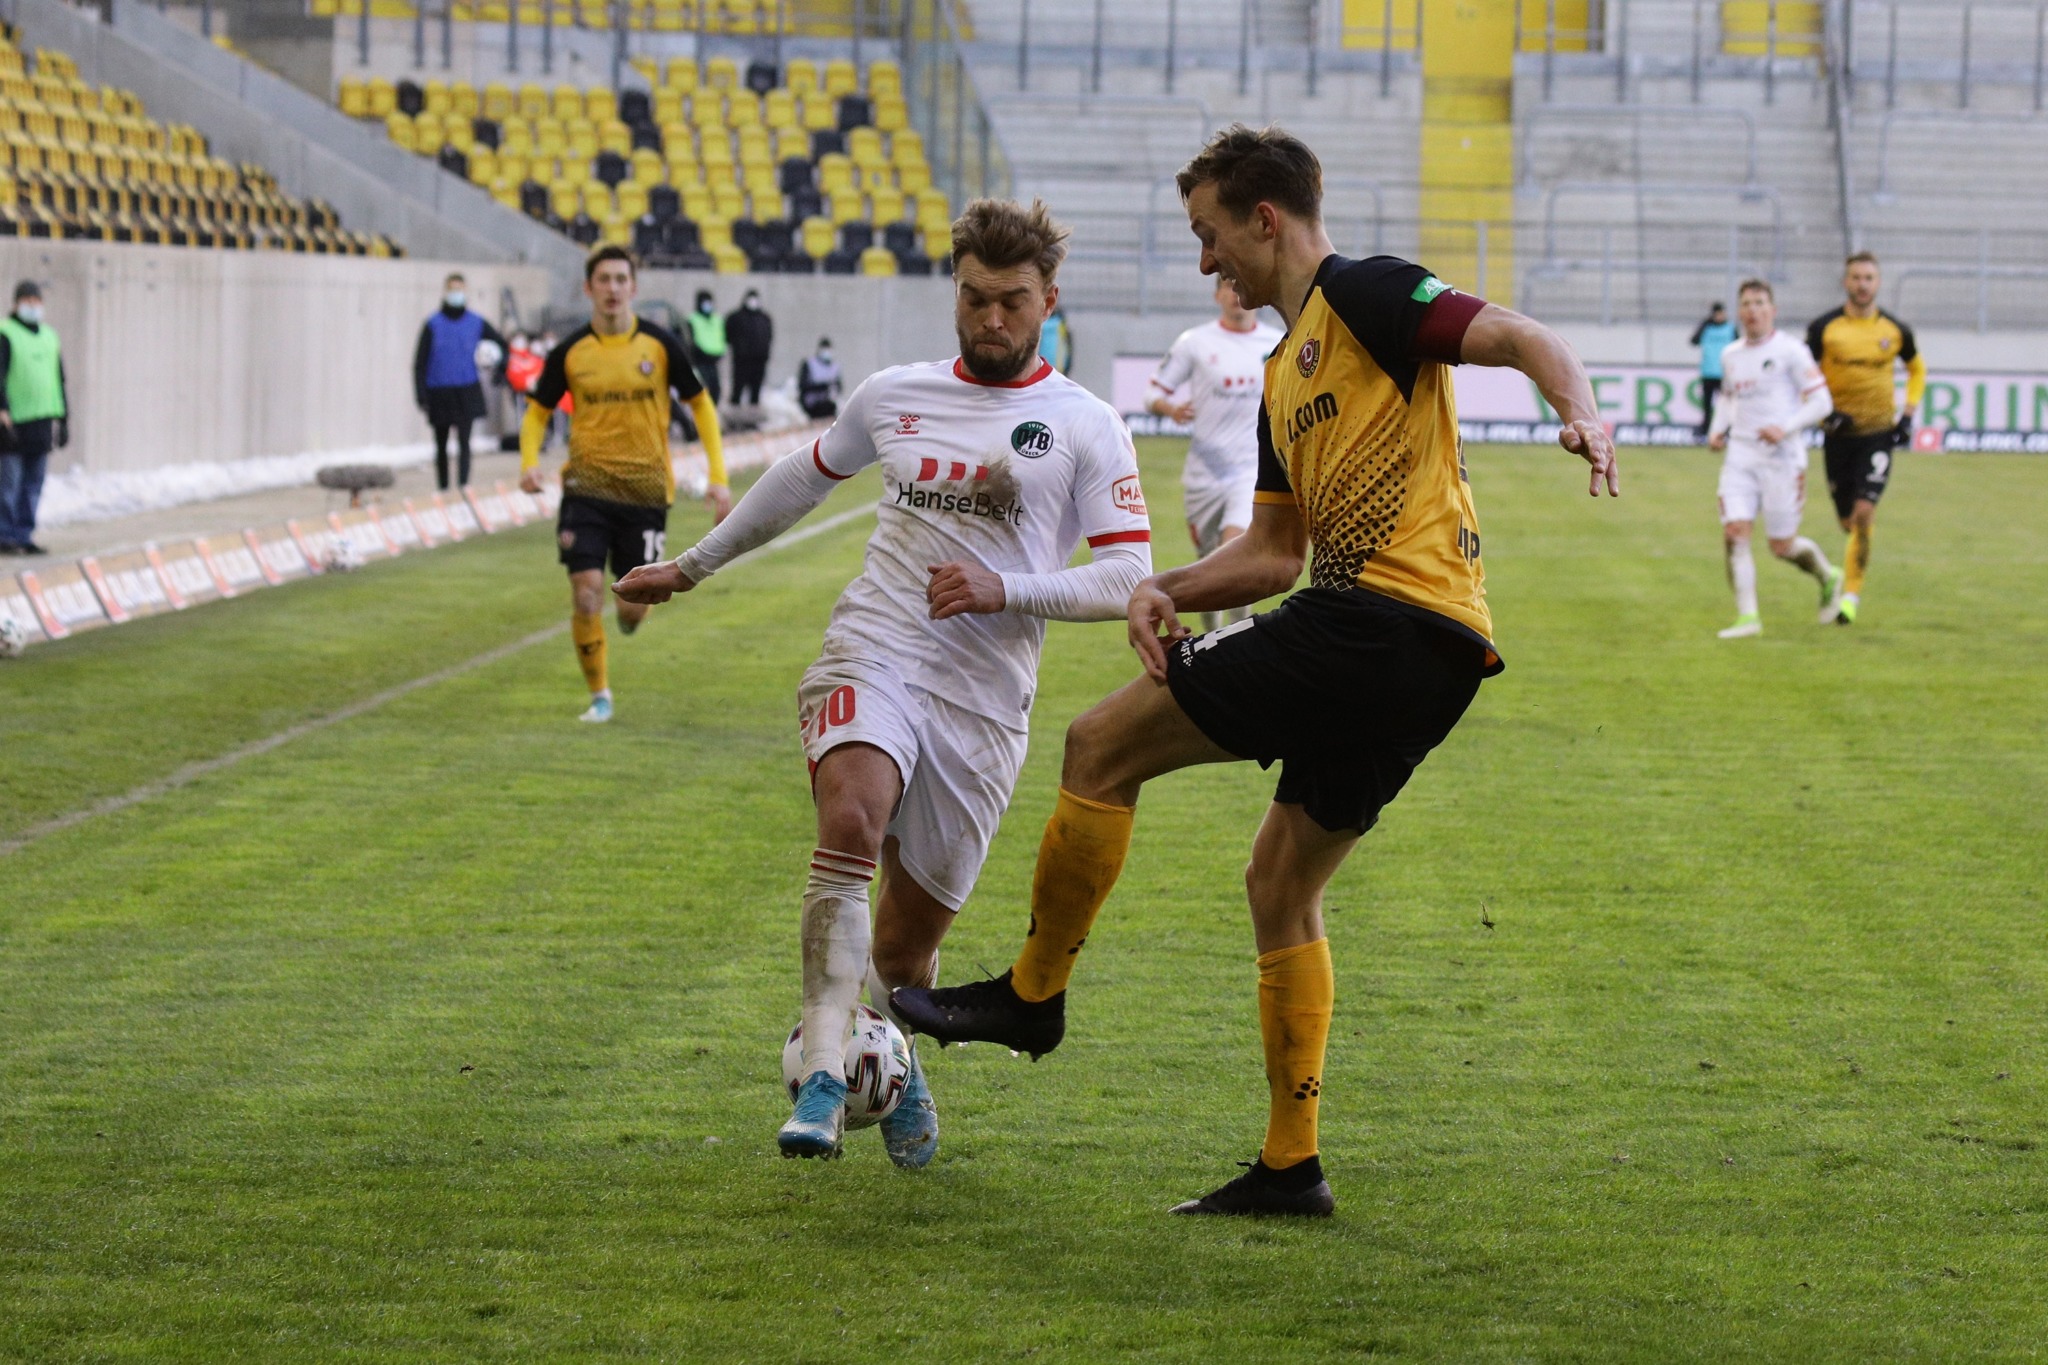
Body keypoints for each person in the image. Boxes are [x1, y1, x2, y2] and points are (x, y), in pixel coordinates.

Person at [891, 124, 1620, 1218]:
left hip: (1380, 621)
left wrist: (1580, 411)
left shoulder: (1366, 293)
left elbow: (1514, 333)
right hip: (1431, 653)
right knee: (1279, 883)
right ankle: (1291, 1165)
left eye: (1208, 233)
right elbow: (1273, 554)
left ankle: (1032, 995)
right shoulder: (1285, 372)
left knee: (1098, 746)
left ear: (1263, 219)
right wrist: (1163, 589)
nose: (1204, 262)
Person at [614, 199, 1153, 1167]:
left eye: (1012, 304)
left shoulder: (1084, 424)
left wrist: (1004, 585)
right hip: (875, 647)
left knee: (903, 963)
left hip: (983, 704)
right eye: (975, 299)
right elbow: (799, 477)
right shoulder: (894, 394)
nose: (991, 320)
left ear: (1048, 303)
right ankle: (824, 1071)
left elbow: (1127, 576)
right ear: (954, 291)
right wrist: (689, 567)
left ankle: (890, 1055)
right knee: (851, 818)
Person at [518, 246, 732, 723]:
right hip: (586, 490)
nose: (612, 288)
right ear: (587, 288)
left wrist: (718, 477)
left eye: (620, 279)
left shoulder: (658, 345)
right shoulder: (571, 351)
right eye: (604, 279)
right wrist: (529, 464)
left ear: (633, 287)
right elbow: (536, 413)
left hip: (645, 494)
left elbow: (701, 405)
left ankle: (630, 622)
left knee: (631, 610)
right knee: (587, 591)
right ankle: (599, 697)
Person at [1146, 273, 1283, 630]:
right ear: (1217, 293)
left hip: (1251, 470)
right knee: (1208, 563)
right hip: (1205, 473)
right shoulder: (1195, 342)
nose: (1236, 294)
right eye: (1228, 286)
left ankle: (1236, 635)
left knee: (1235, 553)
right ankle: (1213, 635)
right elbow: (1152, 393)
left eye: (1241, 285)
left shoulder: (1277, 344)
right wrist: (1169, 408)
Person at [1709, 280, 1842, 639]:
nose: (1753, 310)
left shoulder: (1791, 351)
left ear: (1773, 310)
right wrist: (1716, 428)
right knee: (1735, 532)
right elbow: (1727, 398)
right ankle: (1747, 618)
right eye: (1747, 304)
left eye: (1760, 303)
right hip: (1741, 456)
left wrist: (1785, 427)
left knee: (1781, 546)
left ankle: (1828, 576)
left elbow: (1822, 403)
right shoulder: (1731, 355)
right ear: (1740, 312)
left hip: (1782, 459)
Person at [1805, 252, 1924, 625]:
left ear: (1878, 282)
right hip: (1838, 438)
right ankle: (1846, 573)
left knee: (1864, 512)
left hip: (1878, 434)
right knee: (1847, 521)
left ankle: (1851, 599)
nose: (1862, 284)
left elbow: (1917, 369)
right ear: (1846, 281)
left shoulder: (1895, 330)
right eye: (1856, 277)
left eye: (1869, 277)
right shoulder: (1824, 328)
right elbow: (1803, 374)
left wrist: (1907, 413)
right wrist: (1825, 412)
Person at [413, 272, 507, 491]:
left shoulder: (476, 322)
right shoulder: (432, 324)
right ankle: (443, 488)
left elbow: (501, 345)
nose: (456, 294)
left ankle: (464, 486)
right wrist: (421, 393)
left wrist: (499, 369)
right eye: (452, 290)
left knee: (465, 442)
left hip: (466, 389)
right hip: (439, 390)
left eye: (459, 289)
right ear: (446, 292)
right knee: (441, 444)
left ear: (465, 292)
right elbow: (420, 362)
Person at [0, 280, 68, 557]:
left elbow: (59, 380)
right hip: (12, 423)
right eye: (27, 300)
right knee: (9, 484)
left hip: (41, 422)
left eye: (36, 300)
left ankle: (23, 534)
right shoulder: (5, 333)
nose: (33, 305)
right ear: (16, 303)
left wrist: (64, 419)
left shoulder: (49, 336)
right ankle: (5, 535)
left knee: (32, 485)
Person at [1690, 301, 1738, 440]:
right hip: (1708, 371)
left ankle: (1728, 428)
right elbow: (1694, 341)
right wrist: (1704, 325)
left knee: (1728, 403)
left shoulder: (1730, 328)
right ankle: (1706, 429)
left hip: (1724, 373)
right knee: (1707, 404)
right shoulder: (1707, 328)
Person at [725, 288, 773, 411]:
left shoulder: (764, 318)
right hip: (742, 361)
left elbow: (768, 337)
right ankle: (734, 416)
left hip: (759, 361)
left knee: (755, 392)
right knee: (738, 390)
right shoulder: (736, 317)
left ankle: (753, 417)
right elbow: (729, 336)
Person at [685, 288, 727, 406]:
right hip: (700, 360)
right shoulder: (692, 319)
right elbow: (690, 341)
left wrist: (720, 353)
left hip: (714, 360)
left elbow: (721, 337)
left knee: (715, 390)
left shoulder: (717, 319)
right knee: (702, 390)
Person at [797, 338, 842, 419]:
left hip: (828, 404)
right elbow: (803, 386)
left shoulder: (834, 367)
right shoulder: (809, 363)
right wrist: (822, 387)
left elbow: (839, 386)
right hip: (812, 405)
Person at [1039, 304, 1073, 374]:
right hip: (1043, 369)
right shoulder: (1038, 321)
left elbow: (1068, 346)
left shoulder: (1061, 322)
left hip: (1058, 369)